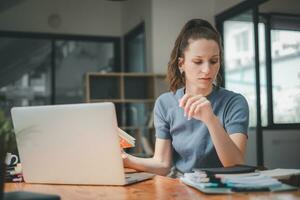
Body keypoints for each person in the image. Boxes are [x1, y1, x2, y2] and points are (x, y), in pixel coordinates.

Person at [122, 18, 249, 178]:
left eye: (214, 61)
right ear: (181, 64)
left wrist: (211, 120)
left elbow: (236, 164)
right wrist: (126, 159)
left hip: (221, 188)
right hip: (180, 187)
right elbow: (162, 164)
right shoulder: (165, 103)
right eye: (198, 61)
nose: (207, 69)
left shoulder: (234, 102)